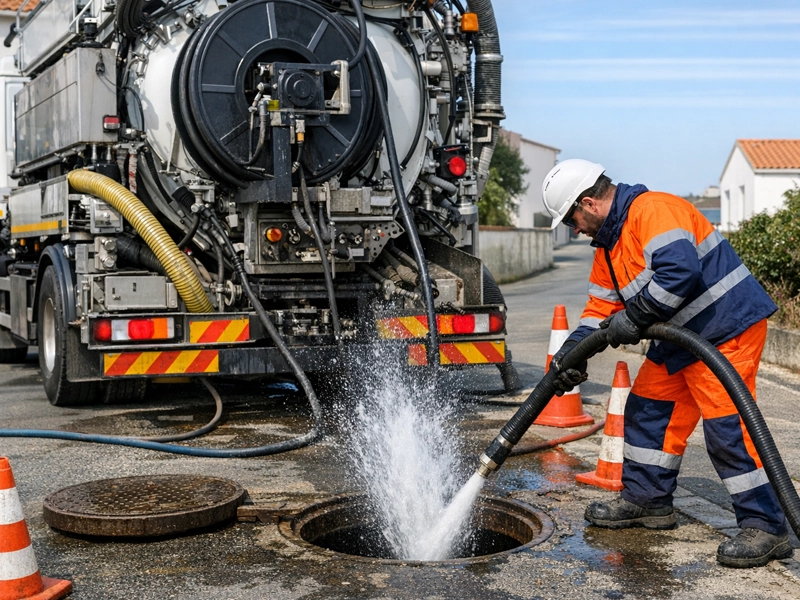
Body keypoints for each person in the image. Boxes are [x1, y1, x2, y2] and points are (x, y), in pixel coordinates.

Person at [541, 158, 792, 569]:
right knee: (647, 410)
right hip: (680, 338)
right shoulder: (608, 244)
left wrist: (635, 319)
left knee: (729, 429)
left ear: (588, 203)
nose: (574, 229)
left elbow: (679, 272)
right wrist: (574, 353)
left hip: (725, 330)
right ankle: (648, 501)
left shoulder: (653, 210)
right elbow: (598, 310)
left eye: (572, 218)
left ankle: (766, 527)